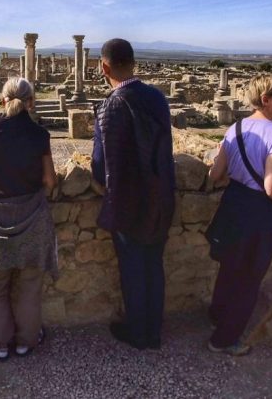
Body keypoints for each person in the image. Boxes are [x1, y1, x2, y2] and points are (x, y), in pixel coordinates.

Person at [207, 74, 272, 355]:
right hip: (258, 212)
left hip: (233, 204)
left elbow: (216, 175)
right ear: (266, 100)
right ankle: (225, 339)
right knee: (250, 278)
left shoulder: (236, 127)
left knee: (229, 268)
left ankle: (217, 316)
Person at [91, 39, 175, 350]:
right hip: (163, 196)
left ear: (104, 67)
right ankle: (154, 329)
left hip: (128, 203)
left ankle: (139, 333)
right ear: (134, 63)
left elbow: (100, 166)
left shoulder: (110, 104)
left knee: (133, 269)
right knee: (154, 264)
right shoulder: (157, 98)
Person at [0, 77, 58, 361]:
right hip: (31, 215)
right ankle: (26, 341)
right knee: (29, 285)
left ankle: (0, 343)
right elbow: (49, 180)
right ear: (31, 102)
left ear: (2, 99)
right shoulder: (39, 133)